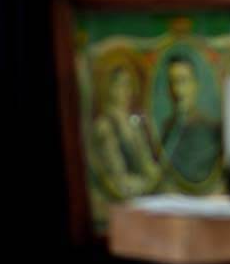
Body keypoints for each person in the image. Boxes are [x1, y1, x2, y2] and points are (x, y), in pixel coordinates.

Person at [91, 62, 160, 201]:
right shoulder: (104, 126)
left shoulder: (134, 123)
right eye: (122, 85)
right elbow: (116, 177)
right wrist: (147, 183)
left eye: (129, 85)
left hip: (142, 194)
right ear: (111, 89)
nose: (128, 91)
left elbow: (145, 161)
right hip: (120, 197)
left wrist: (155, 175)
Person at [159, 55, 223, 191]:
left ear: (195, 85)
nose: (177, 90)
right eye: (173, 82)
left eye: (183, 81)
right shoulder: (168, 129)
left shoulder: (210, 128)